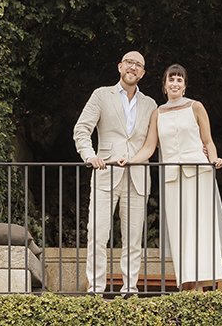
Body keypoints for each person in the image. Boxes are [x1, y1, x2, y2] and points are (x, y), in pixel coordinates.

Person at [121, 64, 222, 291]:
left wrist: (215, 159)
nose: (175, 83)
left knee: (202, 226)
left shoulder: (196, 107)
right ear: (164, 85)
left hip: (199, 172)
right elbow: (150, 147)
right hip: (172, 178)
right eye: (171, 79)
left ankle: (207, 284)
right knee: (180, 230)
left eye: (179, 80)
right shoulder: (157, 113)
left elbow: (207, 140)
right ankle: (189, 285)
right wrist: (130, 160)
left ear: (184, 85)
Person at [72, 50, 156, 296]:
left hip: (138, 176)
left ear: (142, 73)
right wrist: (89, 156)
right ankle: (96, 289)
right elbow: (82, 129)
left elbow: (157, 140)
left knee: (133, 239)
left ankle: (129, 288)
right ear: (120, 66)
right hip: (105, 172)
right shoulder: (101, 95)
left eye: (138, 65)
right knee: (97, 234)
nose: (133, 67)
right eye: (129, 62)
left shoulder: (151, 104)